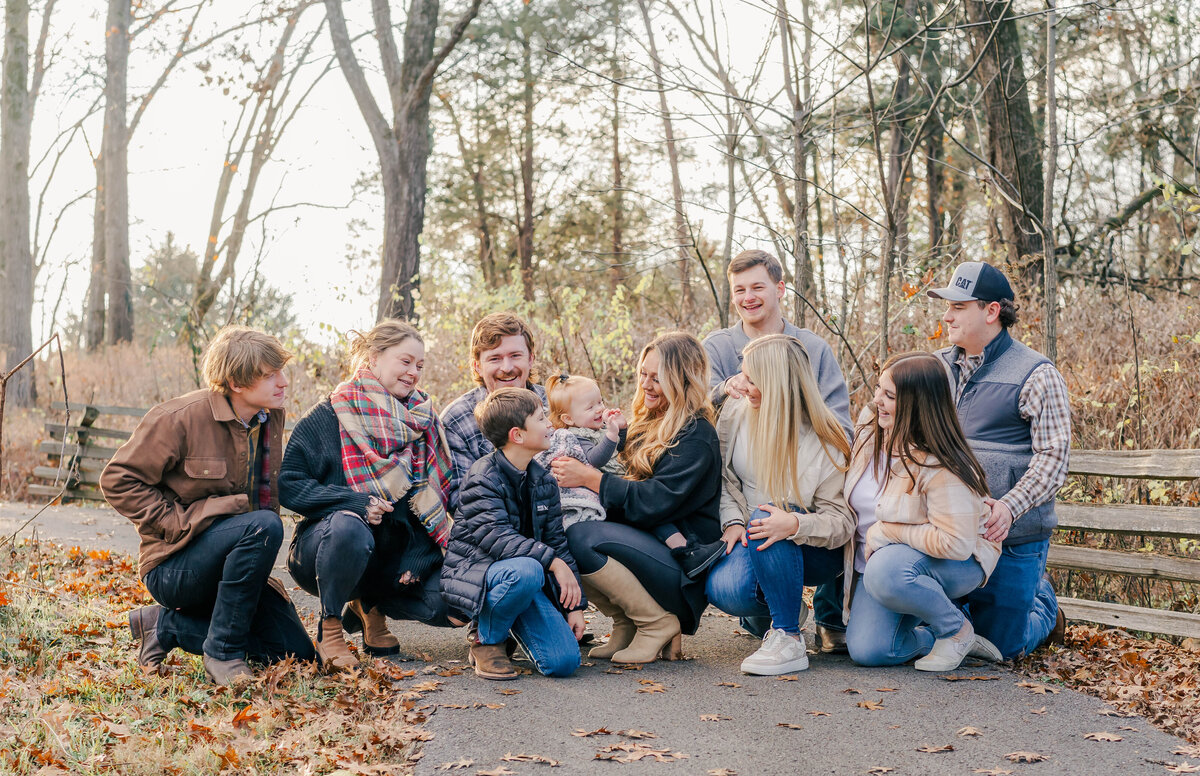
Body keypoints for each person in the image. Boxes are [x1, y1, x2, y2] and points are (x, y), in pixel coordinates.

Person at [100, 326, 315, 686]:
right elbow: (117, 480)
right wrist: (175, 521)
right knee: (264, 524)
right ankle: (223, 654)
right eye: (270, 374)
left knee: (295, 653)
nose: (284, 381)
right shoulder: (179, 418)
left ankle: (164, 626)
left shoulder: (268, 417)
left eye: (281, 370)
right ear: (236, 382)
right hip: (175, 566)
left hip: (235, 565)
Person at [279, 320, 456, 671]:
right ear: (374, 358)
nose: (413, 372)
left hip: (392, 557)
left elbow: (431, 502)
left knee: (452, 604)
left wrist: (419, 559)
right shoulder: (330, 414)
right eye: (405, 361)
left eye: (420, 365)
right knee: (349, 526)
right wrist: (356, 503)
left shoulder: (424, 421)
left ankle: (369, 606)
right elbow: (289, 485)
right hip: (328, 548)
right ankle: (331, 628)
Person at [701, 248, 854, 652]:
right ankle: (777, 611)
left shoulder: (812, 348)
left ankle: (821, 621)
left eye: (757, 287)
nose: (748, 297)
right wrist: (726, 390)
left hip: (803, 501)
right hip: (748, 506)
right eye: (739, 289)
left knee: (789, 517)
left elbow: (838, 423)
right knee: (733, 587)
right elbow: (698, 414)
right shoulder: (719, 347)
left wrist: (798, 431)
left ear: (780, 289)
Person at [551, 332, 722, 664]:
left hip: (682, 565)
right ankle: (626, 623)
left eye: (657, 378)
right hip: (650, 547)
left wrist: (589, 478)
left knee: (582, 536)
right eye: (643, 374)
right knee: (566, 530)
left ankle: (656, 622)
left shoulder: (697, 435)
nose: (646, 384)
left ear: (682, 380)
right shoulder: (648, 422)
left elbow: (654, 502)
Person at [928, 261, 1070, 658]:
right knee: (940, 633)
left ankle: (1044, 603)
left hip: (1010, 536)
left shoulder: (1036, 374)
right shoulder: (935, 368)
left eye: (958, 307)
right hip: (946, 533)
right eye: (947, 306)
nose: (947, 316)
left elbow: (1053, 458)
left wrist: (1008, 508)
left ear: (991, 311)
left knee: (1000, 649)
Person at [843, 353, 1001, 672]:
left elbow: (956, 544)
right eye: (878, 389)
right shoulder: (870, 431)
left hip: (954, 562)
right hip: (883, 564)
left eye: (889, 395)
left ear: (917, 404)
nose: (877, 400)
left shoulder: (942, 464)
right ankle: (933, 637)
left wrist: (886, 532)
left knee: (886, 571)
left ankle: (956, 630)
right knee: (869, 650)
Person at [440, 388, 586, 680]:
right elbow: (498, 539)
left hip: (525, 579)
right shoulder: (482, 478)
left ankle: (510, 621)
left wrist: (575, 607)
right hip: (482, 575)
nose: (550, 424)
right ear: (517, 435)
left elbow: (556, 540)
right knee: (529, 570)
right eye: (541, 418)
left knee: (564, 662)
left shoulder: (543, 480)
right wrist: (553, 563)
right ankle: (486, 640)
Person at [542, 372, 724, 576]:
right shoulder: (575, 436)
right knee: (655, 521)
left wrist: (621, 429)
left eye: (600, 402)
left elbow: (619, 448)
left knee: (657, 520)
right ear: (568, 418)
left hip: (617, 490)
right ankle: (686, 551)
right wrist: (611, 435)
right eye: (590, 407)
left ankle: (688, 551)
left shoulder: (594, 429)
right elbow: (596, 459)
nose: (599, 409)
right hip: (605, 498)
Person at [441, 313, 545, 515]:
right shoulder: (456, 420)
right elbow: (460, 501)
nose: (506, 368)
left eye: (515, 356)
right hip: (496, 525)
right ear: (477, 366)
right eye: (495, 359)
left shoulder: (557, 403)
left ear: (531, 359)